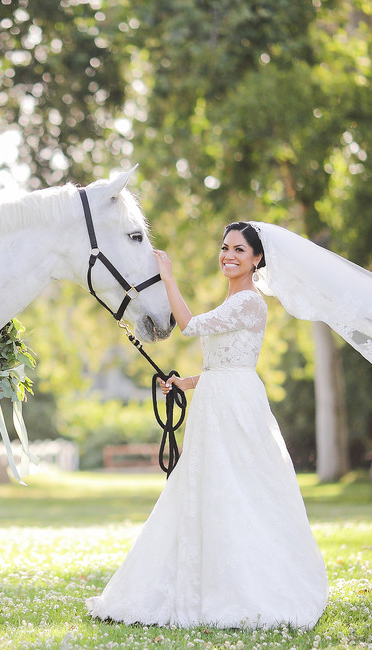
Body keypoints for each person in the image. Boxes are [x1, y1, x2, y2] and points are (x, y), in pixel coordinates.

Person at [86, 222, 329, 629]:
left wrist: (167, 278)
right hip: (217, 399)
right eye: (225, 247)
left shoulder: (250, 302)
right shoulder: (232, 300)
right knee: (208, 484)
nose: (228, 255)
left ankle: (246, 586)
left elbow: (190, 327)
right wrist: (185, 383)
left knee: (237, 485)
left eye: (239, 250)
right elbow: (223, 364)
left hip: (235, 406)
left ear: (257, 258)